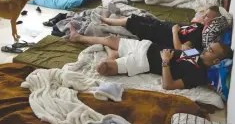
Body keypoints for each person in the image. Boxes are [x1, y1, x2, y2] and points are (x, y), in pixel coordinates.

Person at [68, 25, 233, 90]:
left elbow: (168, 85)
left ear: (216, 61)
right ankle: (78, 37)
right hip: (147, 46)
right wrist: (185, 45)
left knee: (102, 68)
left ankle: (113, 55)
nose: (206, 50)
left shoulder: (198, 75)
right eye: (209, 47)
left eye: (210, 50)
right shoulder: (197, 53)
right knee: (110, 39)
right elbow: (179, 51)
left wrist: (166, 62)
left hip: (142, 62)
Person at [99, 6, 221, 51]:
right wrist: (198, 19)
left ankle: (108, 22)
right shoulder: (197, 25)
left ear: (211, 22)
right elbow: (198, 15)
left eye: (207, 17)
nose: (203, 16)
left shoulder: (197, 36)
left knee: (130, 21)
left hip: (156, 34)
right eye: (204, 14)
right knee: (136, 17)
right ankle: (111, 21)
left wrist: (174, 32)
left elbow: (180, 49)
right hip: (159, 25)